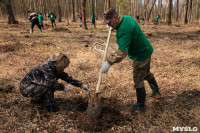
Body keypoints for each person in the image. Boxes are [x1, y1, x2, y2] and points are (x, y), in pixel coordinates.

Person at [101, 8, 161, 110]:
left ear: (115, 17)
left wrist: (108, 62)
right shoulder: (126, 18)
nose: (108, 25)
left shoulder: (124, 30)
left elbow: (122, 51)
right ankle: (156, 91)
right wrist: (113, 27)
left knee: (138, 78)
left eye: (109, 22)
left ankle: (140, 105)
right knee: (145, 73)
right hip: (146, 49)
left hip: (141, 54)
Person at [19, 53, 90, 112]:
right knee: (50, 86)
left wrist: (82, 85)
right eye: (64, 67)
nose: (64, 69)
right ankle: (48, 106)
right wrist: (63, 87)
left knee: (50, 84)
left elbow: (67, 78)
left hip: (33, 86)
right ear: (61, 64)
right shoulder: (47, 67)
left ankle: (36, 100)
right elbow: (51, 83)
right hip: (26, 88)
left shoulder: (55, 68)